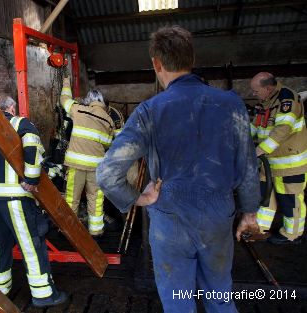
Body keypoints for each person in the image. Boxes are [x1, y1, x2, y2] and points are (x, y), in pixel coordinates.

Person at [97, 26, 260, 313]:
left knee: (178, 304)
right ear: (191, 60)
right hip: (218, 216)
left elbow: (107, 173)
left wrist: (137, 198)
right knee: (220, 297)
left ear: (156, 64)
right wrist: (248, 212)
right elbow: (248, 165)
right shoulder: (232, 105)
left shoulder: (150, 111)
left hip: (169, 219)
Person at [0, 95, 68, 308]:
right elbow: (33, 148)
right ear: (11, 108)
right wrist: (31, 179)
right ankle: (44, 294)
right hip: (16, 199)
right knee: (31, 245)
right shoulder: (21, 123)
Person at [250, 72, 307, 244]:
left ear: (268, 88)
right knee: (265, 196)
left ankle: (292, 234)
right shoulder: (265, 102)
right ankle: (259, 229)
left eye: (255, 91)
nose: (253, 94)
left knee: (290, 200)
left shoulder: (287, 100)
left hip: (289, 163)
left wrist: (257, 151)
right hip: (268, 163)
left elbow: (282, 130)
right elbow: (256, 126)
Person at [60, 78, 115, 236]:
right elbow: (107, 144)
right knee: (96, 199)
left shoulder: (78, 110)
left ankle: (68, 232)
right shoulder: (108, 120)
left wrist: (65, 83)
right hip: (97, 167)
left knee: (72, 199)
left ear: (89, 100)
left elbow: (64, 99)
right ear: (103, 102)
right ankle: (96, 232)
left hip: (76, 165)